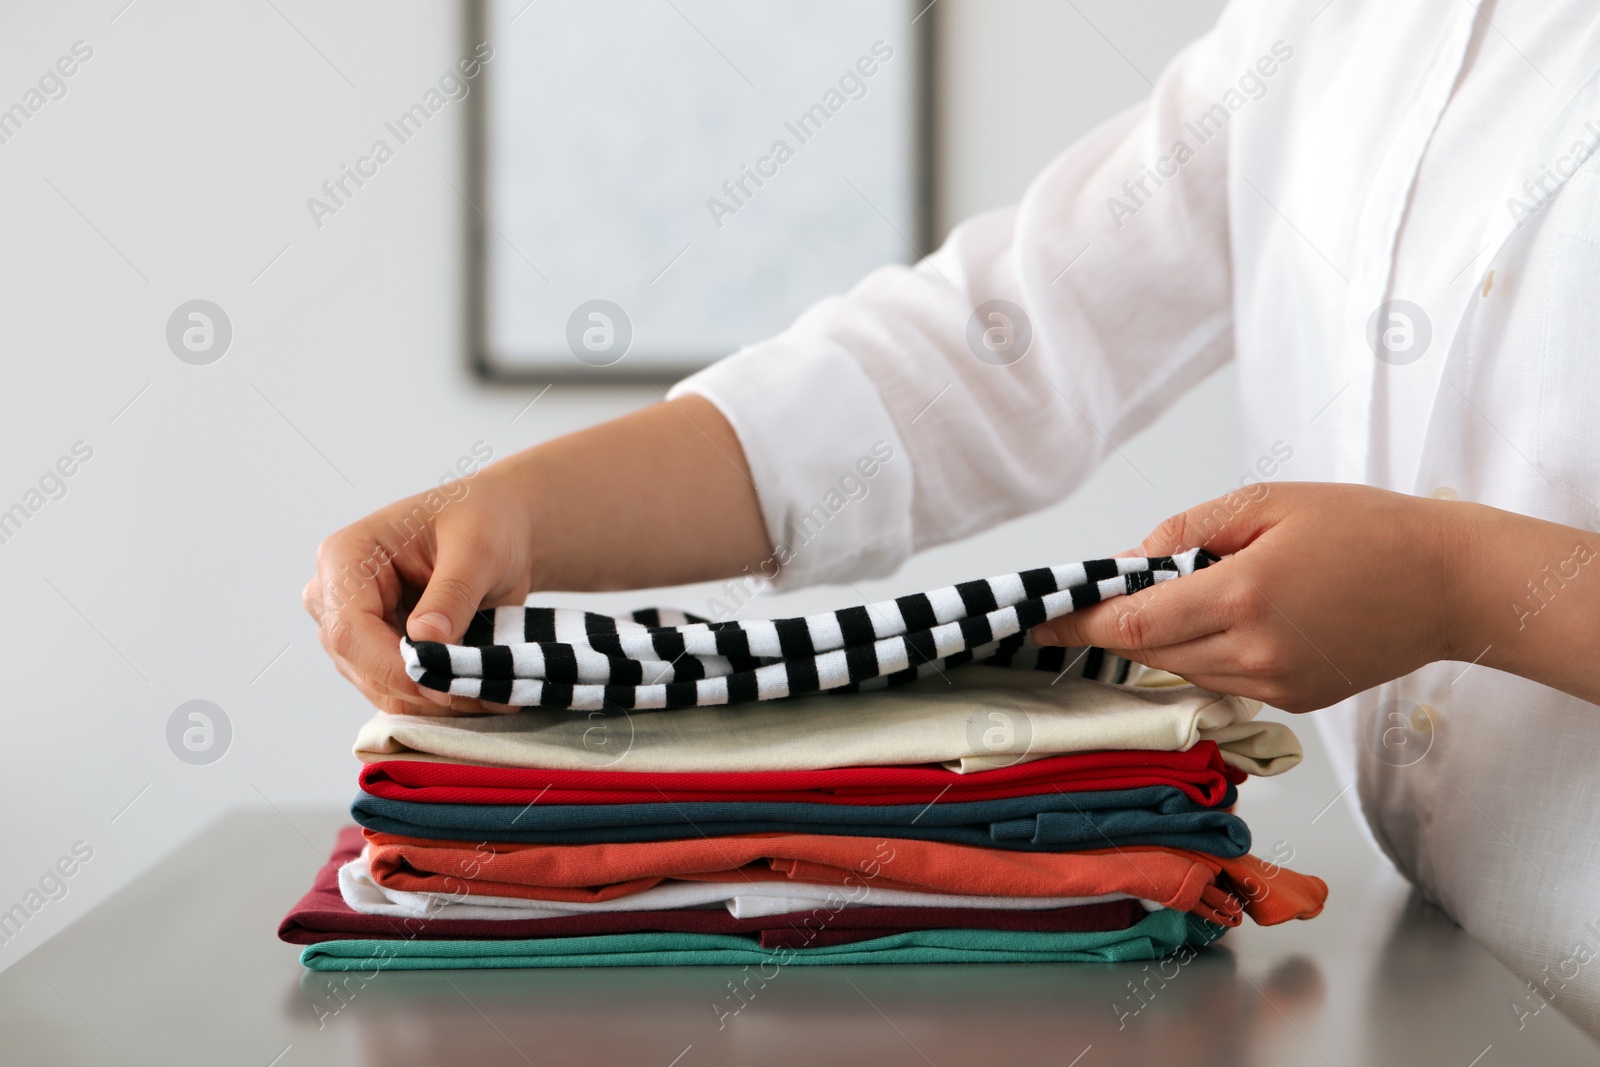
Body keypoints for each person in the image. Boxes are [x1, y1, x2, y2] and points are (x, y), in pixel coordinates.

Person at [305, 0, 1600, 1032]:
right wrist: (522, 511)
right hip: (1459, 979)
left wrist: (1462, 587)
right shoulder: (1333, 26)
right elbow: (995, 344)